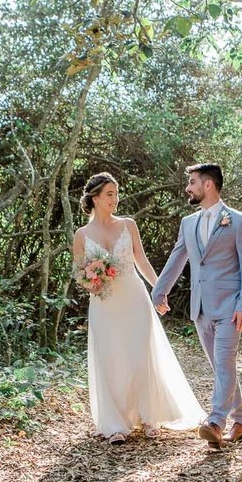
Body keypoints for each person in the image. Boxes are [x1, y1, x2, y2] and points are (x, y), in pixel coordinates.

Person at [72, 172, 206, 444]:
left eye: (117, 193)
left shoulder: (128, 225)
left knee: (139, 355)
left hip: (135, 299)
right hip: (104, 304)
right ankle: (116, 424)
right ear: (95, 197)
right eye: (110, 194)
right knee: (111, 357)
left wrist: (160, 290)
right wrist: (93, 281)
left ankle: (148, 417)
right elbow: (79, 273)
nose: (115, 199)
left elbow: (142, 262)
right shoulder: (82, 234)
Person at [151, 163, 242, 448]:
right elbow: (177, 258)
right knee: (221, 368)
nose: (188, 187)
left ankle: (215, 422)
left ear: (208, 185)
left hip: (231, 308)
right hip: (200, 308)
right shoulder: (188, 223)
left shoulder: (239, 221)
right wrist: (159, 292)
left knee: (224, 363)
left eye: (192, 181)